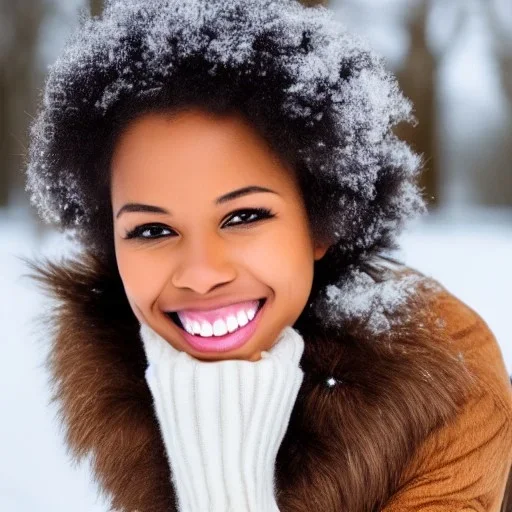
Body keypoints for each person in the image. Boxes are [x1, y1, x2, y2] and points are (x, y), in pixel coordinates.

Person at [24, 0, 512, 510]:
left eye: (244, 217)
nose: (201, 274)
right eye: (151, 229)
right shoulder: (117, 375)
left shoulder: (450, 378)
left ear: (321, 223)